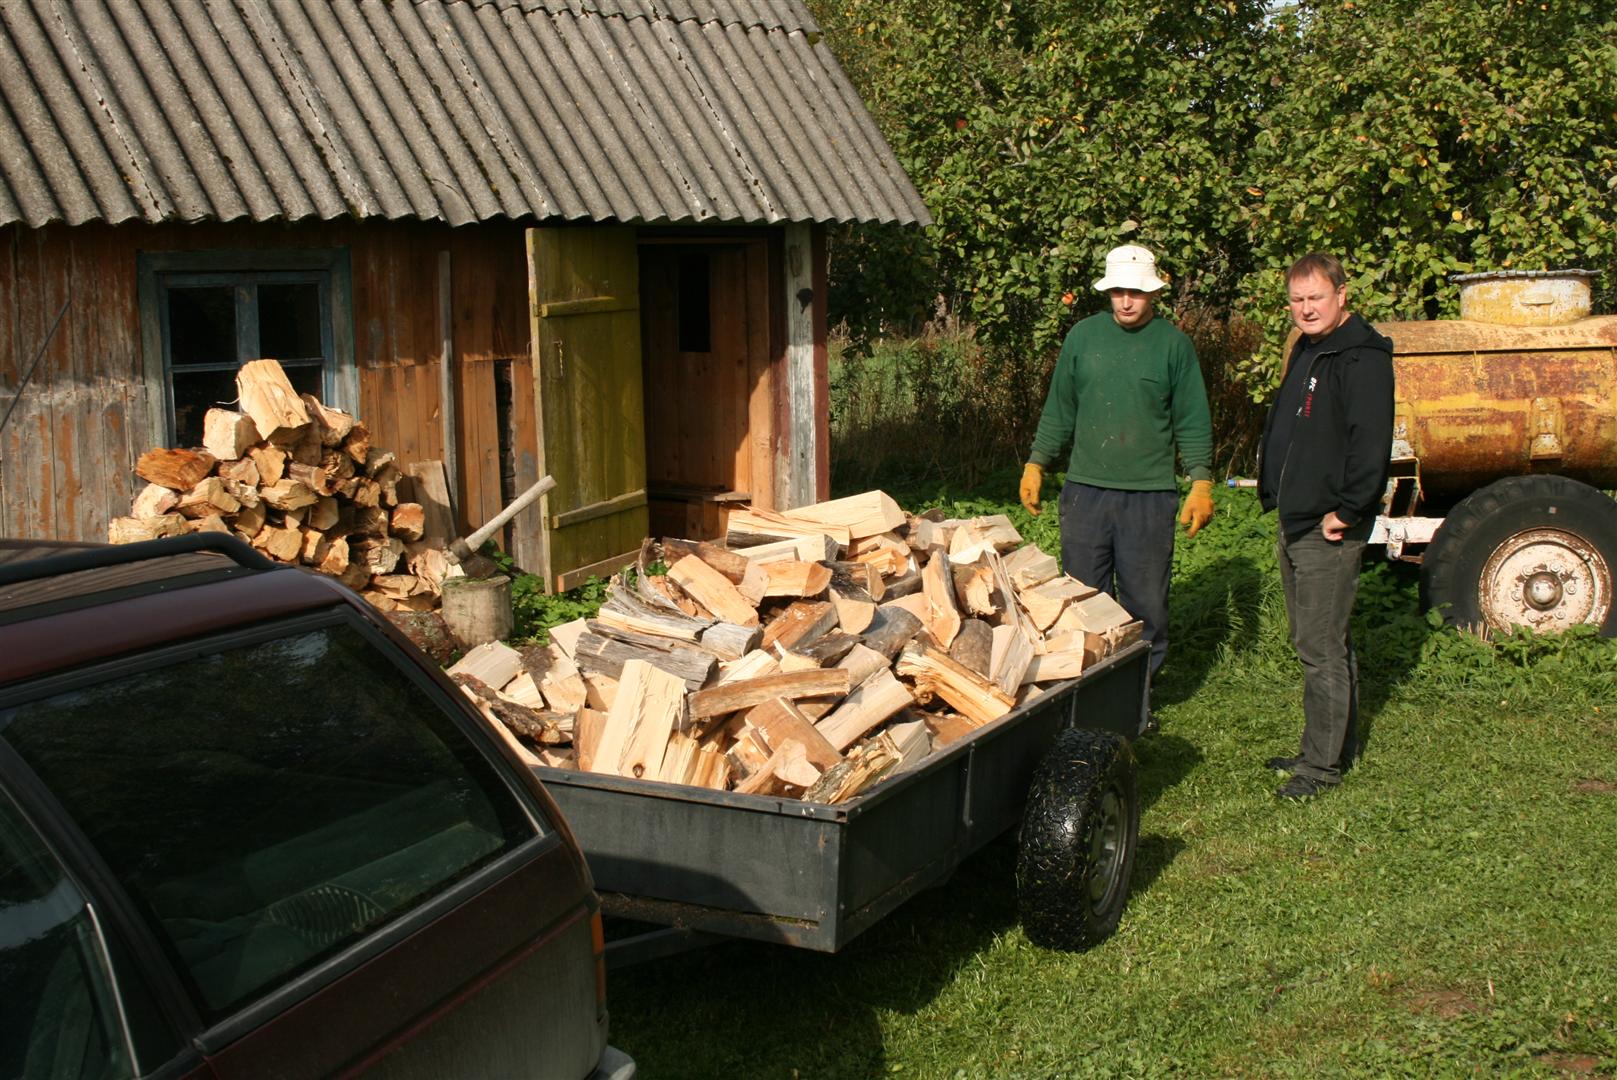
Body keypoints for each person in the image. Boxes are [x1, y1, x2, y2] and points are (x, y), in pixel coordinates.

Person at [1019, 243, 1215, 717]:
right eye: (1119, 292)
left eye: (1137, 292)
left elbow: (1192, 418)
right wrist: (1037, 462)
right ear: (1107, 292)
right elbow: (1060, 407)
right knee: (1083, 599)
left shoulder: (1172, 345)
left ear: (1154, 294)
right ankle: (1085, 699)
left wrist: (1201, 481)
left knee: (1146, 605)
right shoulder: (1083, 337)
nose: (1127, 301)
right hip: (1086, 493)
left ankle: (1134, 702)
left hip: (1148, 497)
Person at [1257, 252, 1395, 800]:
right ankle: (1332, 746)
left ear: (1342, 295)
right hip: (1296, 518)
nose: (1306, 308)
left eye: (1316, 297)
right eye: (1297, 299)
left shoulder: (1361, 358)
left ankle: (1320, 768)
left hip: (1327, 526)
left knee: (1320, 648)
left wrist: (1349, 509)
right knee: (1322, 641)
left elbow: (1370, 442)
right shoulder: (1309, 348)